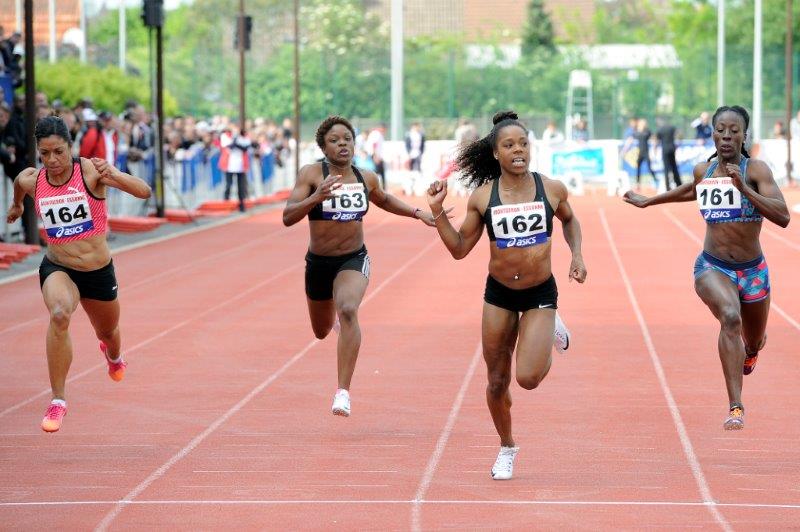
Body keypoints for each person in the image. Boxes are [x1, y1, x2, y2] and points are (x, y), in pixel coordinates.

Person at [426, 110, 587, 480]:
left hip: (539, 292)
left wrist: (577, 254)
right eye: (509, 145)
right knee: (497, 382)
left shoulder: (551, 188)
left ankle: (549, 330)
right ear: (495, 153)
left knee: (527, 378)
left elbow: (570, 220)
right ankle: (507, 447)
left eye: (524, 144)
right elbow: (460, 248)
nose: (518, 150)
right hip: (499, 294)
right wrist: (438, 214)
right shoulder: (484, 197)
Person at [623, 105, 790, 430]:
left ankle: (752, 349)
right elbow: (690, 189)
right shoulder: (705, 170)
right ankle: (736, 406)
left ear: (744, 135)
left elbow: (783, 216)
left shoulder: (755, 170)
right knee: (730, 317)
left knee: (752, 341)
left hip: (753, 272)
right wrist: (650, 200)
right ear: (712, 133)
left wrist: (745, 190)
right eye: (721, 130)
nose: (727, 136)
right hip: (712, 267)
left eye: (734, 131)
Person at [282, 115, 442, 417]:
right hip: (318, 263)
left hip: (353, 258)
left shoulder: (365, 177)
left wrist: (417, 212)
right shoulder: (312, 174)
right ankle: (338, 323)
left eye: (347, 139)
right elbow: (288, 216)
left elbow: (383, 199)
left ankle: (343, 391)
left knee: (348, 309)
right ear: (323, 147)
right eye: (334, 140)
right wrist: (317, 196)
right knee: (320, 331)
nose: (343, 144)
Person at [5, 116, 152, 432]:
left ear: (69, 147)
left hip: (97, 271)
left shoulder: (89, 172)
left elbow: (144, 191)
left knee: (109, 333)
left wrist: (113, 175)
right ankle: (58, 400)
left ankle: (113, 357)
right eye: (44, 154)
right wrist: (17, 206)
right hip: (59, 267)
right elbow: (19, 183)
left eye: (58, 151)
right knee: (59, 314)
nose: (52, 160)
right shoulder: (34, 180)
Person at [218, 124, 252, 212]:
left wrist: (236, 142)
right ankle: (226, 203)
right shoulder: (225, 136)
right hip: (229, 165)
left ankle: (241, 204)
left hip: (240, 166)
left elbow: (245, 147)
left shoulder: (244, 136)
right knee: (228, 184)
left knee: (241, 186)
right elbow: (228, 146)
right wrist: (236, 141)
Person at [656, 117, 681, 190]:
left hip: (665, 149)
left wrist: (655, 148)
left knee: (666, 169)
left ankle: (667, 187)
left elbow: (657, 140)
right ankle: (679, 184)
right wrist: (678, 142)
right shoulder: (671, 127)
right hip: (672, 148)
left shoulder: (660, 129)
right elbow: (679, 134)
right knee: (674, 167)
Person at [634, 118, 657, 191]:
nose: (643, 124)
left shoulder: (647, 131)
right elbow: (630, 138)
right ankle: (638, 184)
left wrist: (654, 147)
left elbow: (654, 138)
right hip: (640, 152)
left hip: (646, 152)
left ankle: (656, 182)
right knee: (638, 168)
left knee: (650, 168)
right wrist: (624, 150)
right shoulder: (637, 131)